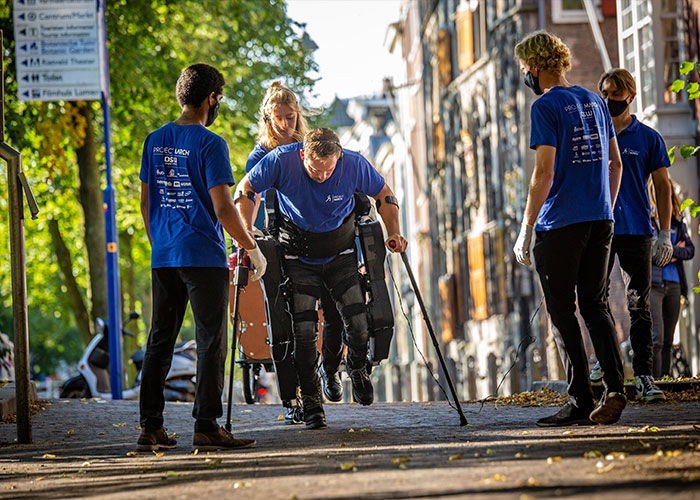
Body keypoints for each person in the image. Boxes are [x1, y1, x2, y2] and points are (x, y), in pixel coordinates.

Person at [235, 127, 407, 429]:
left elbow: (385, 195)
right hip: (298, 257)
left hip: (340, 255)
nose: (322, 176)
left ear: (338, 158)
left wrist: (393, 232)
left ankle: (356, 368)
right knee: (303, 331)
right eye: (315, 169)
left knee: (357, 321)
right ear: (303, 155)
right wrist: (245, 232)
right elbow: (246, 189)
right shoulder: (280, 161)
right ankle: (312, 401)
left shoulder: (353, 164)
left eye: (329, 170)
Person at [137, 63, 265, 451]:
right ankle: (206, 426)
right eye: (219, 98)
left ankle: (151, 427)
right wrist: (251, 247)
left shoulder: (153, 140)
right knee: (211, 339)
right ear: (212, 99)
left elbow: (146, 203)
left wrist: (160, 242)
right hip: (204, 256)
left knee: (160, 339)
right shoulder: (211, 144)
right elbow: (225, 209)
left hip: (164, 254)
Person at [513, 31, 627, 426]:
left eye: (525, 67)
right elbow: (616, 164)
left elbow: (543, 172)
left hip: (560, 222)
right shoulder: (595, 101)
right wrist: (605, 210)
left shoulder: (545, 106)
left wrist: (526, 228)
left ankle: (580, 399)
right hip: (600, 219)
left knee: (562, 310)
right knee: (596, 306)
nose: (525, 74)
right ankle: (615, 386)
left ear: (537, 66)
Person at [246, 82, 346, 423]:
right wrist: (249, 240)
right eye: (280, 119)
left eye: (292, 117)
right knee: (284, 322)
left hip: (316, 243)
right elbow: (252, 200)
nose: (287, 124)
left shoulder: (311, 146)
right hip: (276, 245)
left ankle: (328, 372)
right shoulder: (261, 156)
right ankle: (295, 399)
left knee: (329, 314)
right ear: (268, 118)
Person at [587, 68, 673, 402]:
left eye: (616, 94)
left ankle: (644, 377)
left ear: (631, 95)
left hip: (637, 229)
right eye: (605, 93)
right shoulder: (594, 134)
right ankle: (604, 363)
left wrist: (664, 232)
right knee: (597, 300)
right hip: (600, 228)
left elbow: (664, 187)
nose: (610, 100)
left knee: (639, 305)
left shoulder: (648, 138)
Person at [650, 184, 694, 378]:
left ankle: (666, 381)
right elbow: (648, 254)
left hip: (675, 284)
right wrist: (675, 250)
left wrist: (668, 251)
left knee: (668, 339)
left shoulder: (677, 223)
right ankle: (654, 381)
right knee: (656, 338)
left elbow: (690, 251)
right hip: (654, 286)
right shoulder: (648, 222)